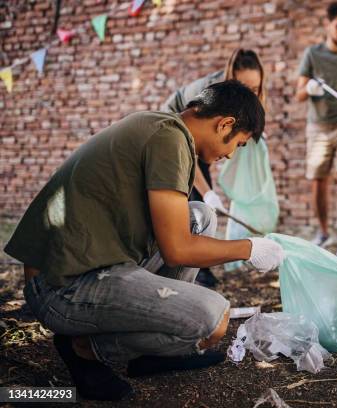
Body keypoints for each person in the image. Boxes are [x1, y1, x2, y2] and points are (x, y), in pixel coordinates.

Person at [4, 81, 284, 400]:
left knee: (201, 216)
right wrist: (248, 249)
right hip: (60, 287)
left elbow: (175, 233)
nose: (230, 154)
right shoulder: (170, 141)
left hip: (85, 263)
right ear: (225, 124)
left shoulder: (164, 127)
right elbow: (177, 249)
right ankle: (84, 350)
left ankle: (152, 354)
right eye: (239, 144)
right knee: (213, 320)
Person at [161, 48, 267, 285]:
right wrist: (207, 192)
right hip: (177, 124)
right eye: (245, 88)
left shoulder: (242, 106)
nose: (251, 94)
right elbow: (192, 152)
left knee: (201, 198)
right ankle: (197, 265)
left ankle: (197, 260)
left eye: (255, 90)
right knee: (194, 193)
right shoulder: (212, 95)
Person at [295, 2, 337, 257]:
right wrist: (309, 88)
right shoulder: (313, 54)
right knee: (318, 181)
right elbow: (299, 94)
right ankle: (323, 232)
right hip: (319, 127)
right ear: (328, 24)